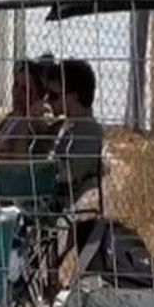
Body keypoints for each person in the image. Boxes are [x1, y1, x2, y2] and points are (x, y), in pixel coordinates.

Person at [43, 58, 104, 215]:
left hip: (71, 211)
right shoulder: (67, 126)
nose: (47, 100)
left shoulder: (88, 132)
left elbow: (67, 174)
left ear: (74, 97)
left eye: (54, 95)